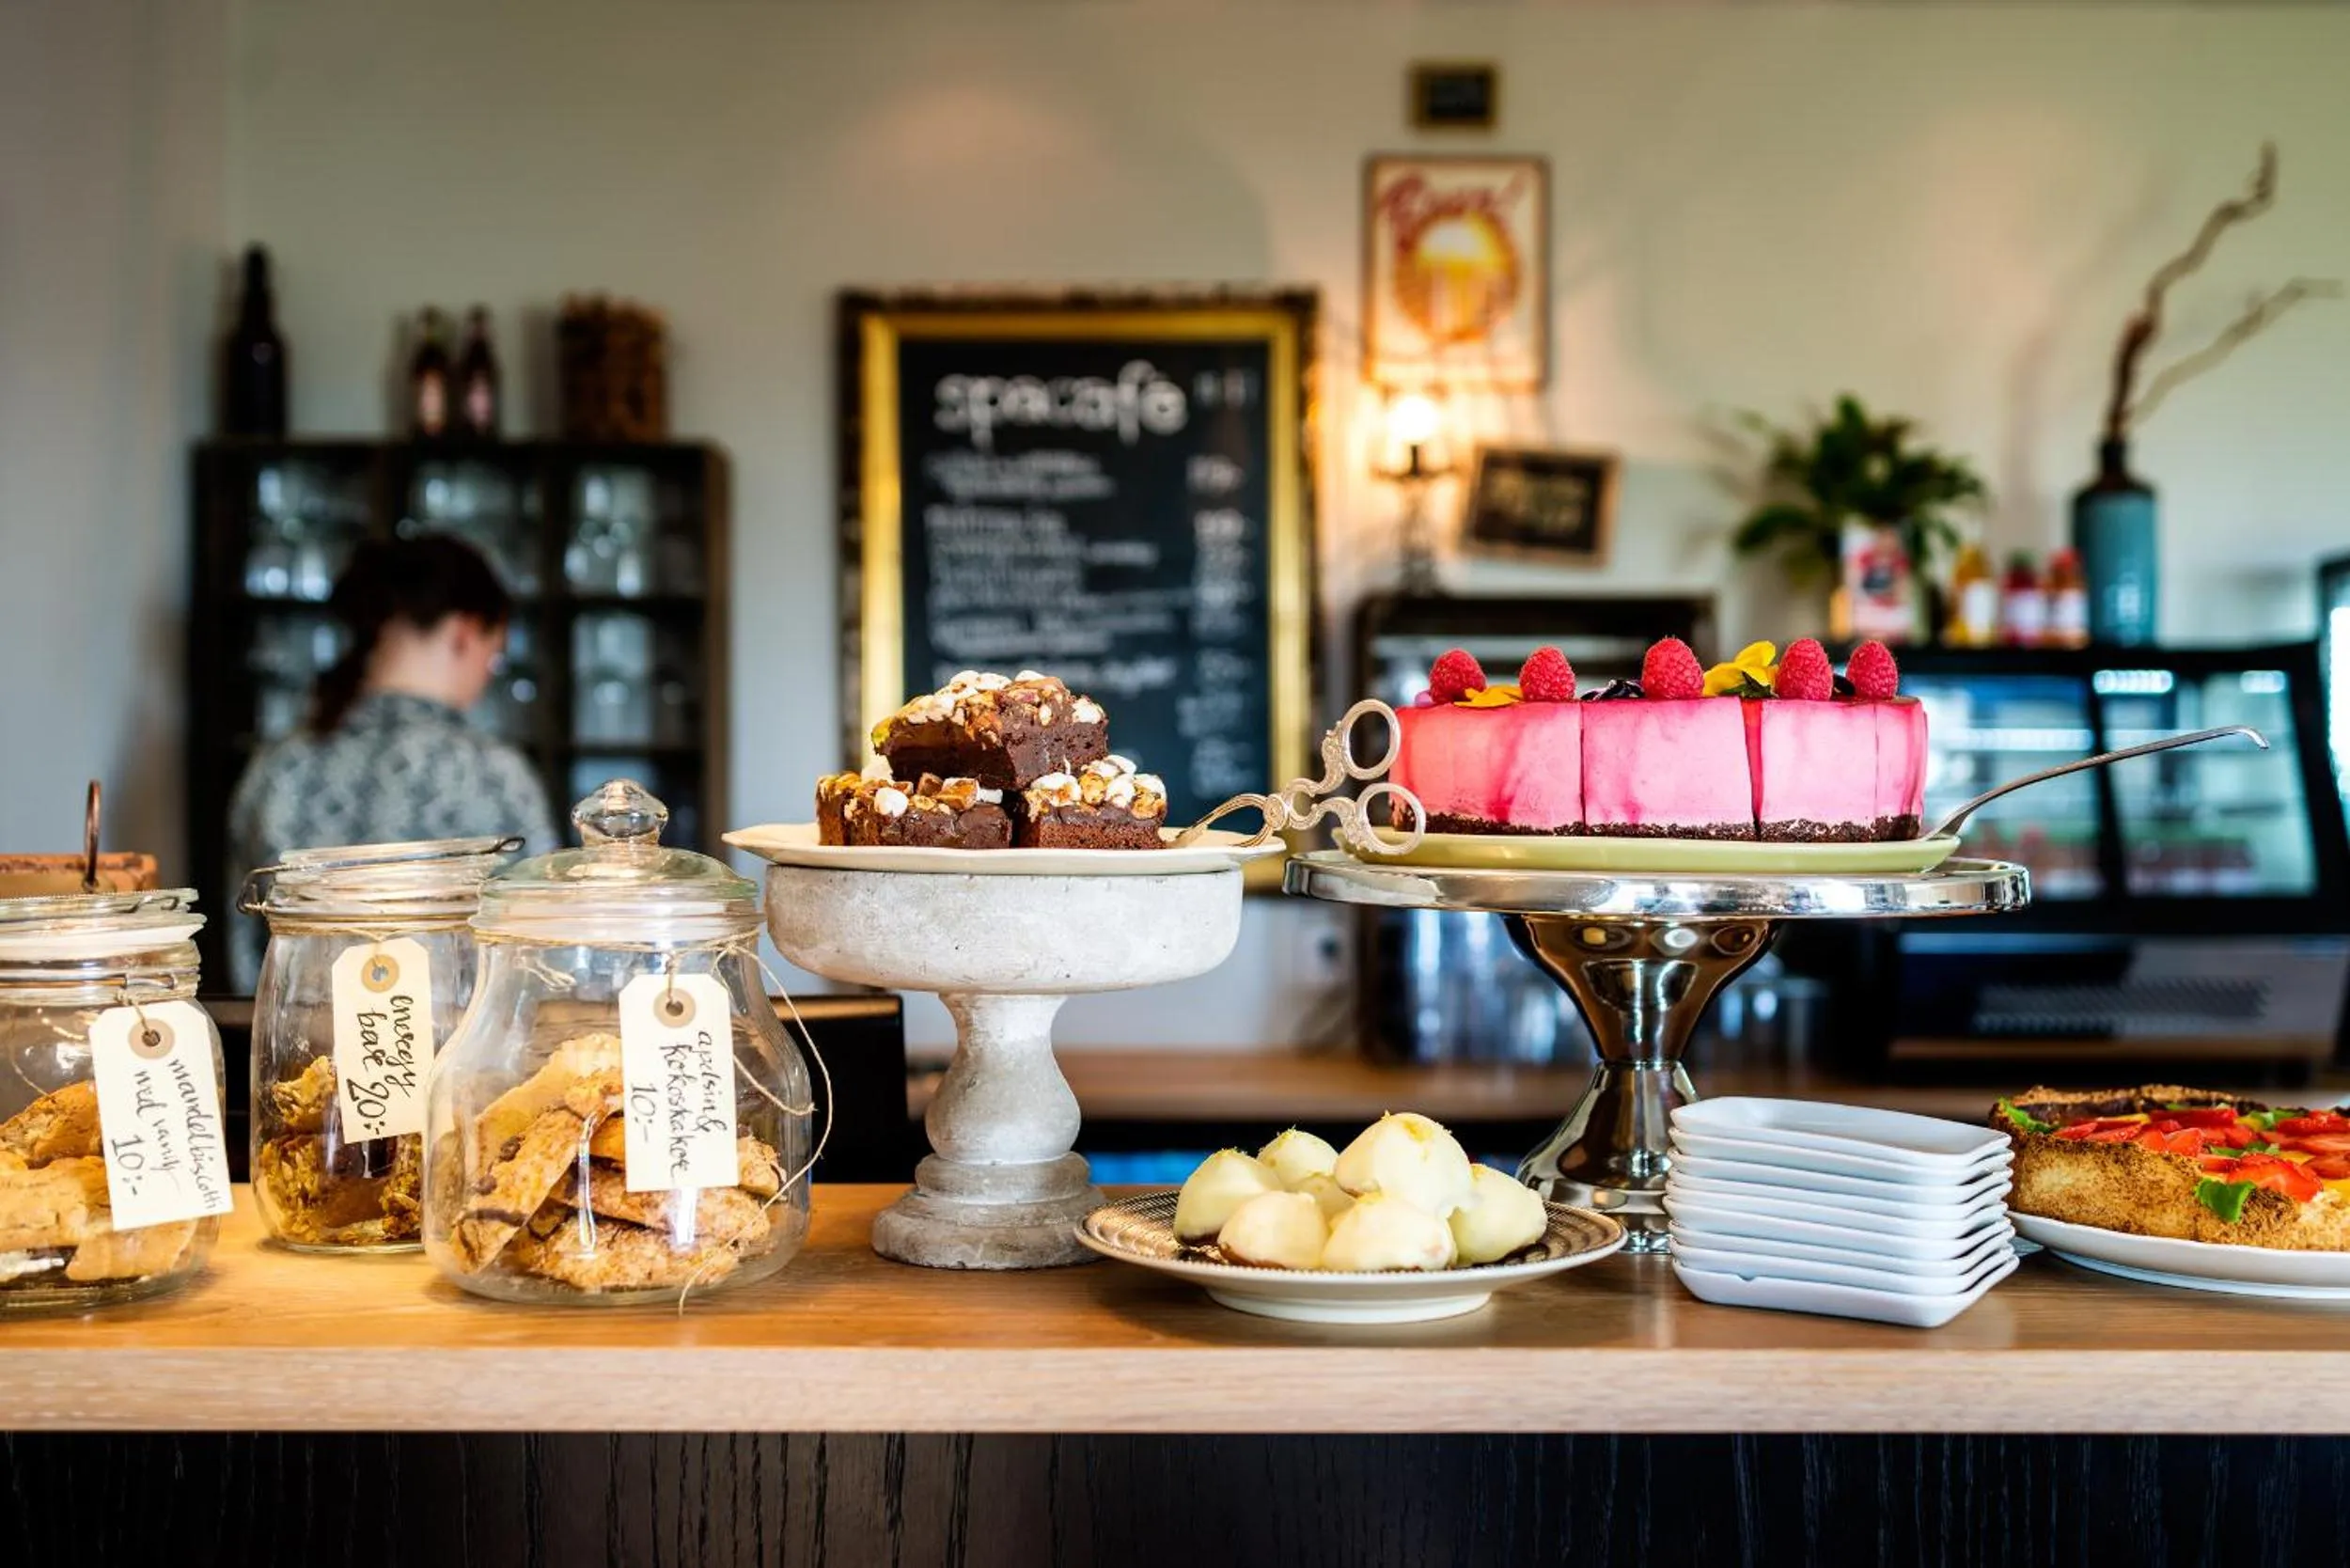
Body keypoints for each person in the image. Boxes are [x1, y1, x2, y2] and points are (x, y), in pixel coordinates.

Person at [227, 534, 558, 986]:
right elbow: (543, 956)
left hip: (296, 1049)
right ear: (464, 633)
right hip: (463, 1055)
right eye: (493, 655)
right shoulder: (491, 773)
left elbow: (247, 953)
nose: (487, 673)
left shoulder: (281, 765)